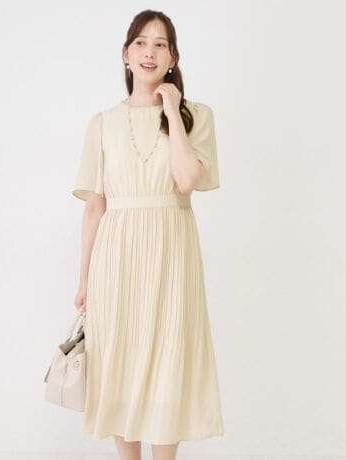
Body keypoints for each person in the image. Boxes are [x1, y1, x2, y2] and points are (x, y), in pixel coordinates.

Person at [71, 9, 224, 460]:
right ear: (125, 53)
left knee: (169, 362)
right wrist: (84, 278)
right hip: (115, 256)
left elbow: (186, 180)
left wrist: (172, 111)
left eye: (160, 44)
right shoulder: (102, 123)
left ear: (173, 57)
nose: (149, 52)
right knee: (118, 361)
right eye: (140, 42)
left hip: (172, 252)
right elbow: (94, 206)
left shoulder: (196, 116)